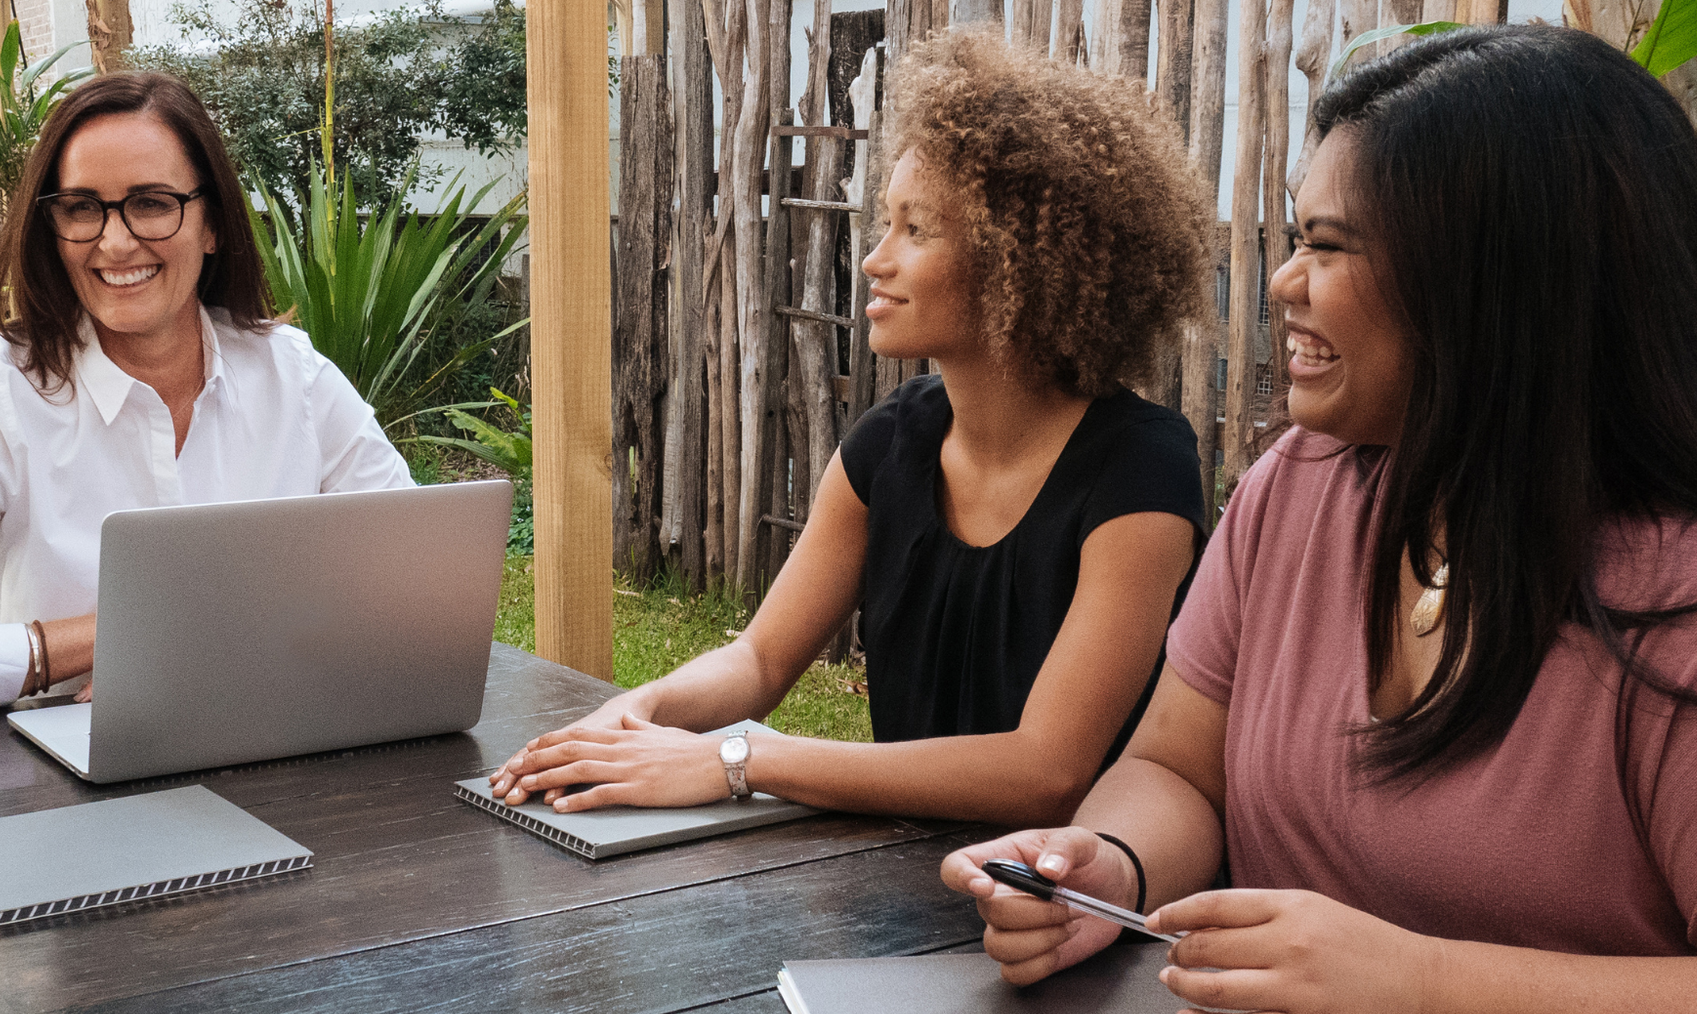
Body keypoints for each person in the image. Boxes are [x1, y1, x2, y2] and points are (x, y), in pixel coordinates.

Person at [944, 27, 1697, 1014]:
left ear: (1494, 281)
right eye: (1298, 238)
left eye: (1330, 246)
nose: (1285, 282)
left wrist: (1422, 986)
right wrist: (1107, 865)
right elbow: (1174, 767)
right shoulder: (1295, 494)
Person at [488, 31, 1210, 826]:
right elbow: (759, 660)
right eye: (886, 222)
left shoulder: (1140, 471)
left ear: (1023, 264)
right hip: (894, 883)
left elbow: (1046, 771)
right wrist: (633, 717)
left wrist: (738, 759)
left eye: (916, 229)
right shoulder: (890, 443)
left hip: (1075, 908)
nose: (875, 259)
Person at [0, 71, 413, 721]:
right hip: (78, 784)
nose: (114, 241)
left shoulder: (295, 379)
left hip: (282, 743)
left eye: (150, 202)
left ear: (212, 224)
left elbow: (412, 588)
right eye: (83, 207)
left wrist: (221, 642)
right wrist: (111, 637)